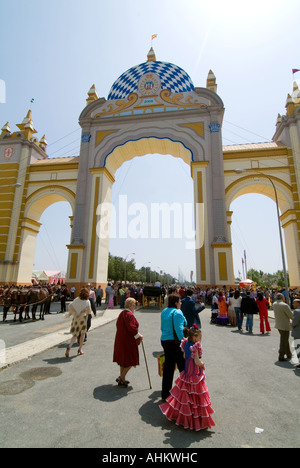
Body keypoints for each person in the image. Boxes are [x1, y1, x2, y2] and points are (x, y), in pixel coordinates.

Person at [160, 325, 215, 431]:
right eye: (199, 337)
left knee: (185, 394)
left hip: (186, 371)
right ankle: (194, 418)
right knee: (196, 394)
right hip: (194, 372)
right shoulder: (196, 346)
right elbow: (197, 361)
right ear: (195, 338)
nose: (200, 339)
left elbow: (185, 356)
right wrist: (202, 363)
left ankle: (184, 415)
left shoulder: (185, 343)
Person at [160, 293, 187, 400]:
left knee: (168, 368)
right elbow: (179, 331)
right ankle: (186, 392)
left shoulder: (164, 311)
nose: (181, 303)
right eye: (180, 302)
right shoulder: (177, 312)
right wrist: (185, 343)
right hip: (175, 342)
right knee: (183, 367)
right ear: (176, 303)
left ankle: (165, 393)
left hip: (165, 340)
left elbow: (162, 327)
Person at [113, 297, 143, 387]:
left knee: (123, 360)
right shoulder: (129, 315)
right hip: (127, 340)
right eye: (134, 304)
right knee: (131, 360)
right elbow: (131, 328)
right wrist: (139, 335)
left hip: (120, 338)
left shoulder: (122, 313)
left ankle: (122, 379)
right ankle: (121, 377)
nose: (135, 306)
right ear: (130, 305)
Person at [64, 287, 92, 357]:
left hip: (76, 319)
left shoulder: (76, 299)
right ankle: (80, 349)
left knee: (75, 335)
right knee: (82, 334)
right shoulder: (87, 301)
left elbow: (71, 305)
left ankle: (69, 346)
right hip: (83, 319)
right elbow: (89, 312)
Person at [273, 293, 293, 361]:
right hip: (285, 325)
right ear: (282, 298)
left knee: (285, 340)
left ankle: (288, 354)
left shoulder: (275, 304)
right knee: (284, 340)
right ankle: (281, 355)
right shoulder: (284, 305)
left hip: (278, 324)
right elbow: (291, 315)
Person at [291, 298, 300, 369]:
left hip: (298, 332)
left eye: (294, 303)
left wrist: (291, 324)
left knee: (298, 347)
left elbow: (294, 323)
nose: (293, 304)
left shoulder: (297, 311)